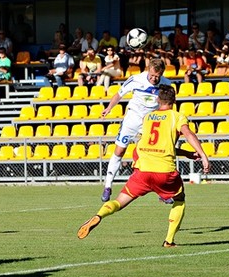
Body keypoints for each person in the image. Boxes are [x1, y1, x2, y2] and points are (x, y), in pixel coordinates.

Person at [78, 84, 210, 246]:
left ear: (157, 100)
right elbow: (188, 134)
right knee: (180, 199)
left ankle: (99, 215)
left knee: (119, 202)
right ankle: (169, 240)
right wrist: (202, 154)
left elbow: (157, 144)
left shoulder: (148, 118)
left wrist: (186, 154)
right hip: (164, 171)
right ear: (174, 100)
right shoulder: (177, 116)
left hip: (142, 170)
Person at [99, 58, 172, 202]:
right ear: (148, 69)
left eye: (157, 76)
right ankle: (108, 186)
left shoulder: (166, 84)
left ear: (162, 73)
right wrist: (109, 108)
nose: (153, 78)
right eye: (151, 75)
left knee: (154, 155)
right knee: (119, 151)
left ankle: (161, 192)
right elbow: (119, 94)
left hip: (150, 124)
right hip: (132, 121)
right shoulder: (136, 79)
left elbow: (168, 105)